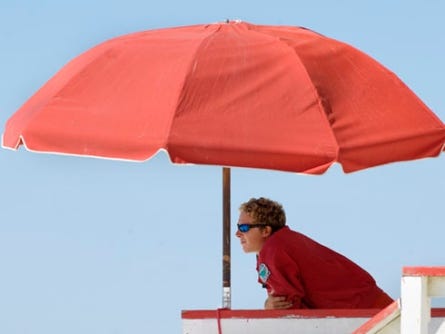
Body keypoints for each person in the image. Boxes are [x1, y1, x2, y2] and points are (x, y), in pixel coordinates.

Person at [235, 197, 393, 310]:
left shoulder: (273, 249)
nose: (237, 233)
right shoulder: (286, 241)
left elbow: (287, 306)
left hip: (366, 317)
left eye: (243, 228)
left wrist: (269, 308)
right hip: (376, 306)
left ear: (265, 230)